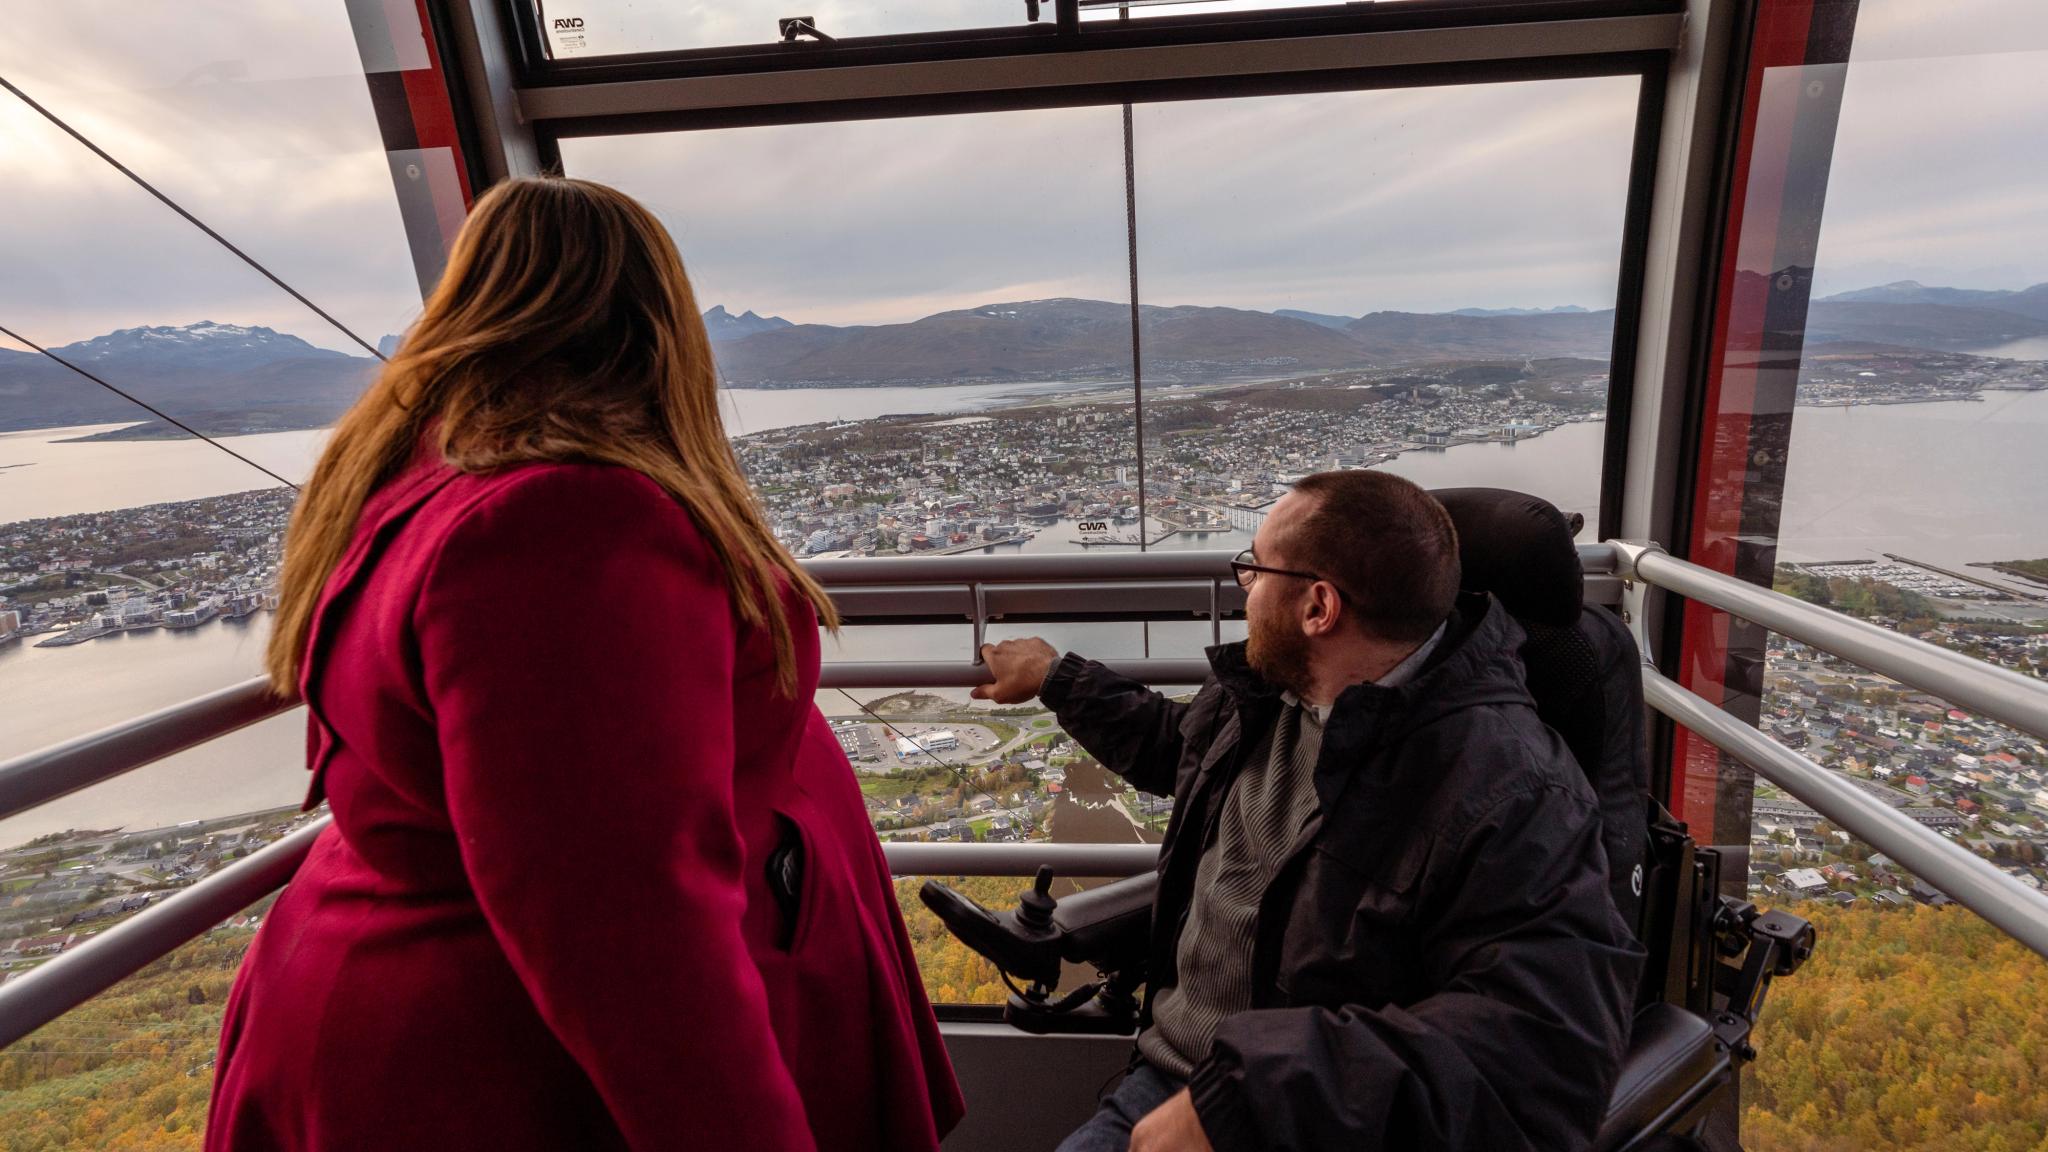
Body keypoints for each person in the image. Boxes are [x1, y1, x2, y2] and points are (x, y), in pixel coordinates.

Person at [206, 176, 962, 1152]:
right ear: (653, 328)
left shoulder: (409, 482)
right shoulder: (565, 525)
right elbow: (631, 934)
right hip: (513, 1071)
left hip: (428, 1015)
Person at [974, 470, 1641, 1152]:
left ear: (1318, 607)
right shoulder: (1271, 692)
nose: (1244, 590)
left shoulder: (1514, 793)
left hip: (1307, 1126)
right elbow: (1183, 752)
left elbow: (1541, 1054)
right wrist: (1058, 679)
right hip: (1178, 1083)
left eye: (1253, 570)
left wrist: (1254, 1096)